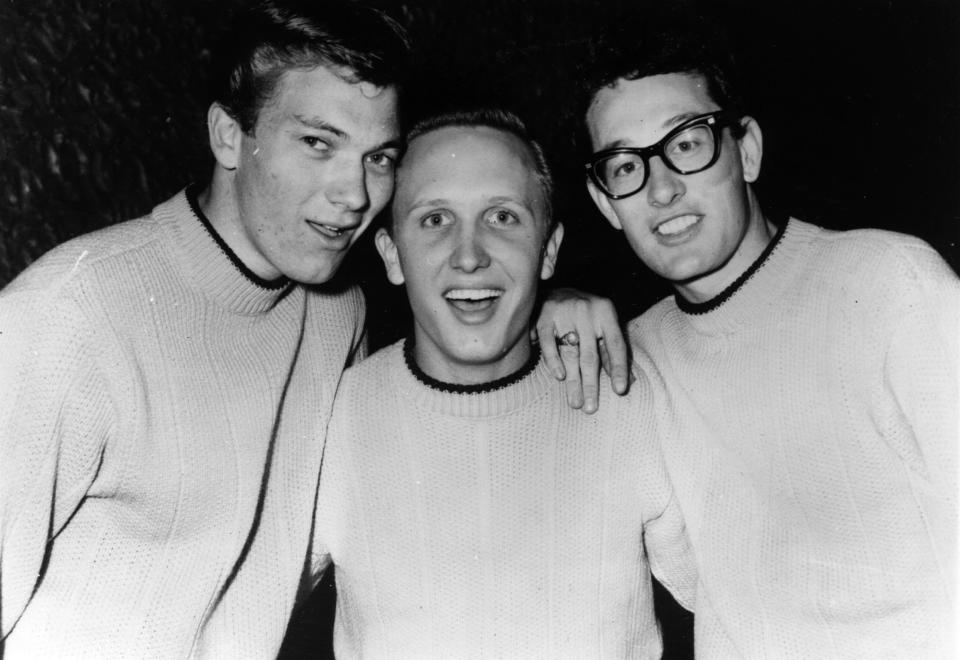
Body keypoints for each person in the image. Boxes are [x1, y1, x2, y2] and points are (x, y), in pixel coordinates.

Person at [0, 2, 621, 656]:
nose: (353, 193)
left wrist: (547, 303)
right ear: (228, 136)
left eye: (378, 157)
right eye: (318, 144)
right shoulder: (70, 313)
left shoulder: (336, 313)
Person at [564, 15, 959, 658]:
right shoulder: (629, 359)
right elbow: (691, 579)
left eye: (687, 143)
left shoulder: (888, 280)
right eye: (624, 165)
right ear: (606, 201)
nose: (661, 188)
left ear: (746, 149)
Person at [309, 109, 695, 658]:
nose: (470, 256)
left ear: (550, 250)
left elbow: (738, 590)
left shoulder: (628, 393)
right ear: (392, 255)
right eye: (435, 220)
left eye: (503, 217)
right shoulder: (332, 416)